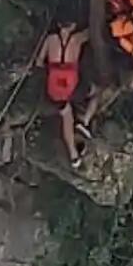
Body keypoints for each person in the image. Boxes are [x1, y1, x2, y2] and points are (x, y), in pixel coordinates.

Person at [36, 21, 96, 168]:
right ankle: (84, 122)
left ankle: (73, 155)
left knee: (65, 112)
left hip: (54, 89)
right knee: (96, 92)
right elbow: (93, 30)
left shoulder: (50, 39)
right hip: (71, 87)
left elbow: (39, 62)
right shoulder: (77, 39)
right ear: (73, 25)